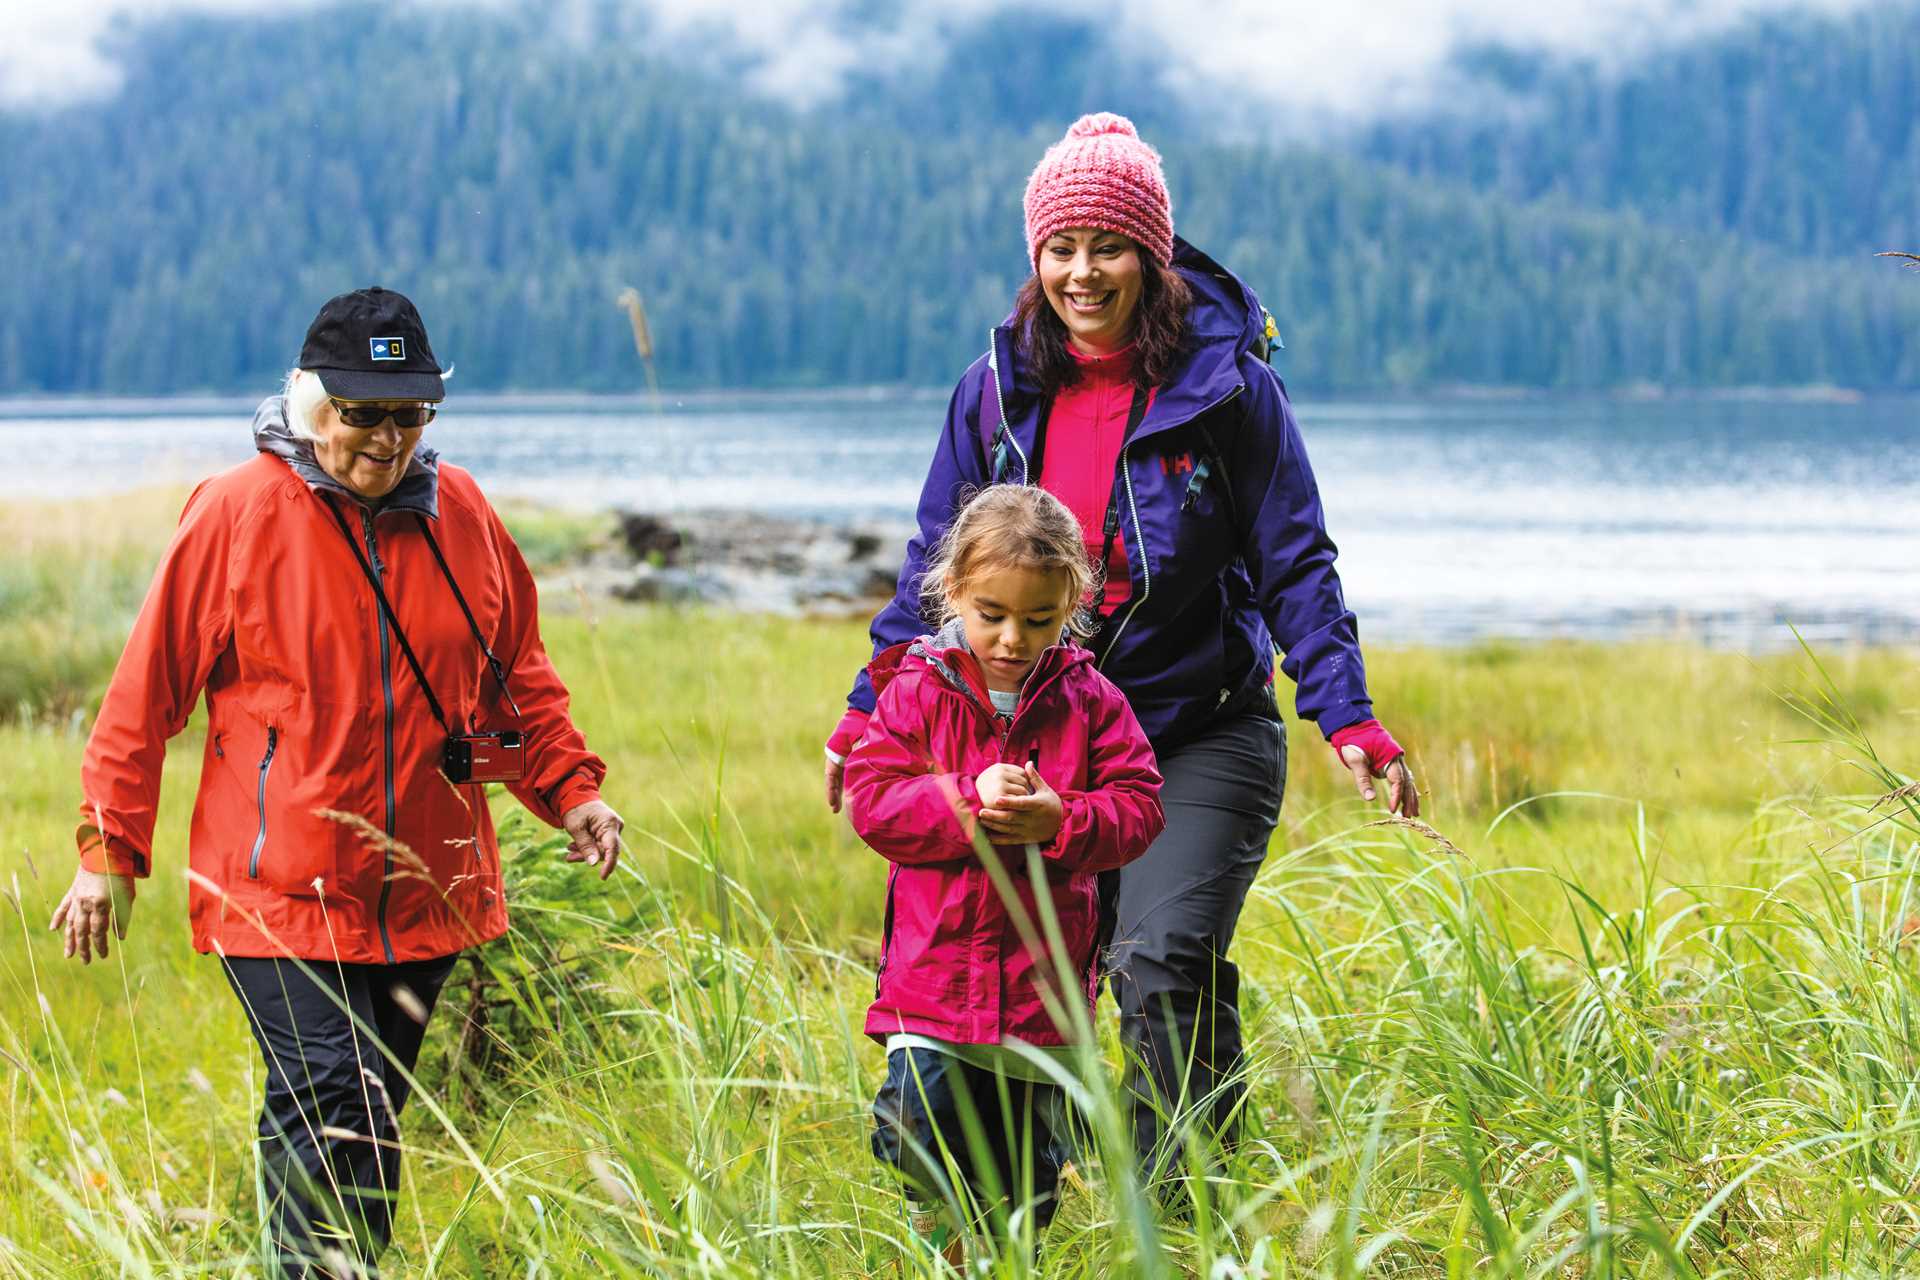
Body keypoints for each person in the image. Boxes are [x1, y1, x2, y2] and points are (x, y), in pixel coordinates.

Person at [827, 114, 1418, 1185]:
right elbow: (935, 564)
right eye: (1060, 246)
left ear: (1150, 253)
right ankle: (1024, 1197)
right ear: (1034, 258)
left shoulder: (1231, 391)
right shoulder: (996, 391)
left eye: (1108, 244)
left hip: (1201, 724)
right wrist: (868, 708)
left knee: (1161, 961)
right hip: (1047, 731)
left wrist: (1348, 713)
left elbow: (1295, 561)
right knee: (1053, 978)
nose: (1082, 271)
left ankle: (1181, 1214)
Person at [51, 286, 625, 1278]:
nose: (384, 438)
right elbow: (145, 692)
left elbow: (514, 674)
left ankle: (306, 1262)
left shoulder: (466, 512)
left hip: (424, 886)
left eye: (407, 414)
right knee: (336, 1097)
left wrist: (570, 788)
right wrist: (108, 850)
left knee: (351, 1112)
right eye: (361, 412)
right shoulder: (235, 510)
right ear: (309, 401)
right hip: (274, 885)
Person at [845, 485, 1164, 1259]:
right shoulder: (916, 690)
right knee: (910, 1120)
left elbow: (1140, 806)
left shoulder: (1091, 700)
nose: (1013, 639)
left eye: (1039, 620)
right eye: (992, 615)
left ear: (1073, 607)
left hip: (1041, 994)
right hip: (932, 983)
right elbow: (873, 801)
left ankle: (1000, 1257)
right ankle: (941, 1225)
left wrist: (1064, 820)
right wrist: (962, 800)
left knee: (1026, 1187)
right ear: (953, 591)